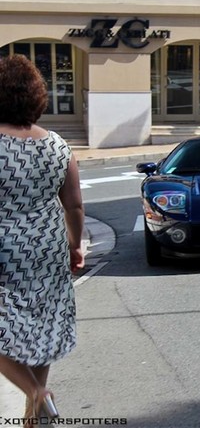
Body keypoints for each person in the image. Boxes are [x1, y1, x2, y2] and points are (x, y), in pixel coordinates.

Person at [0, 54, 85, 424]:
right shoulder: (58, 146)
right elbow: (75, 206)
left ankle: (35, 393)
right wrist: (75, 244)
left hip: (5, 247)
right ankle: (35, 415)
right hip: (48, 247)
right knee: (43, 326)